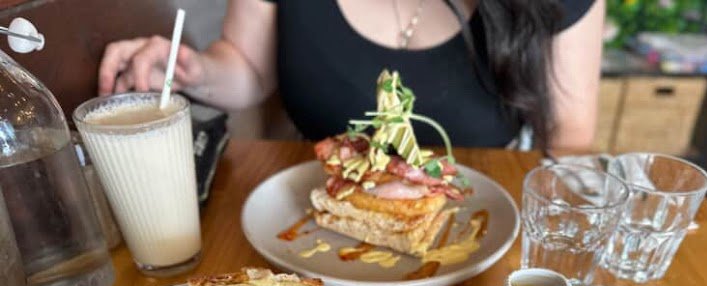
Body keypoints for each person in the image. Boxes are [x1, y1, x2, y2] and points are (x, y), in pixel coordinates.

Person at [98, 0, 603, 150]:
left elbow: (571, 136)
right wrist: (192, 71)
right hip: (318, 227)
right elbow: (248, 69)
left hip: (486, 219)